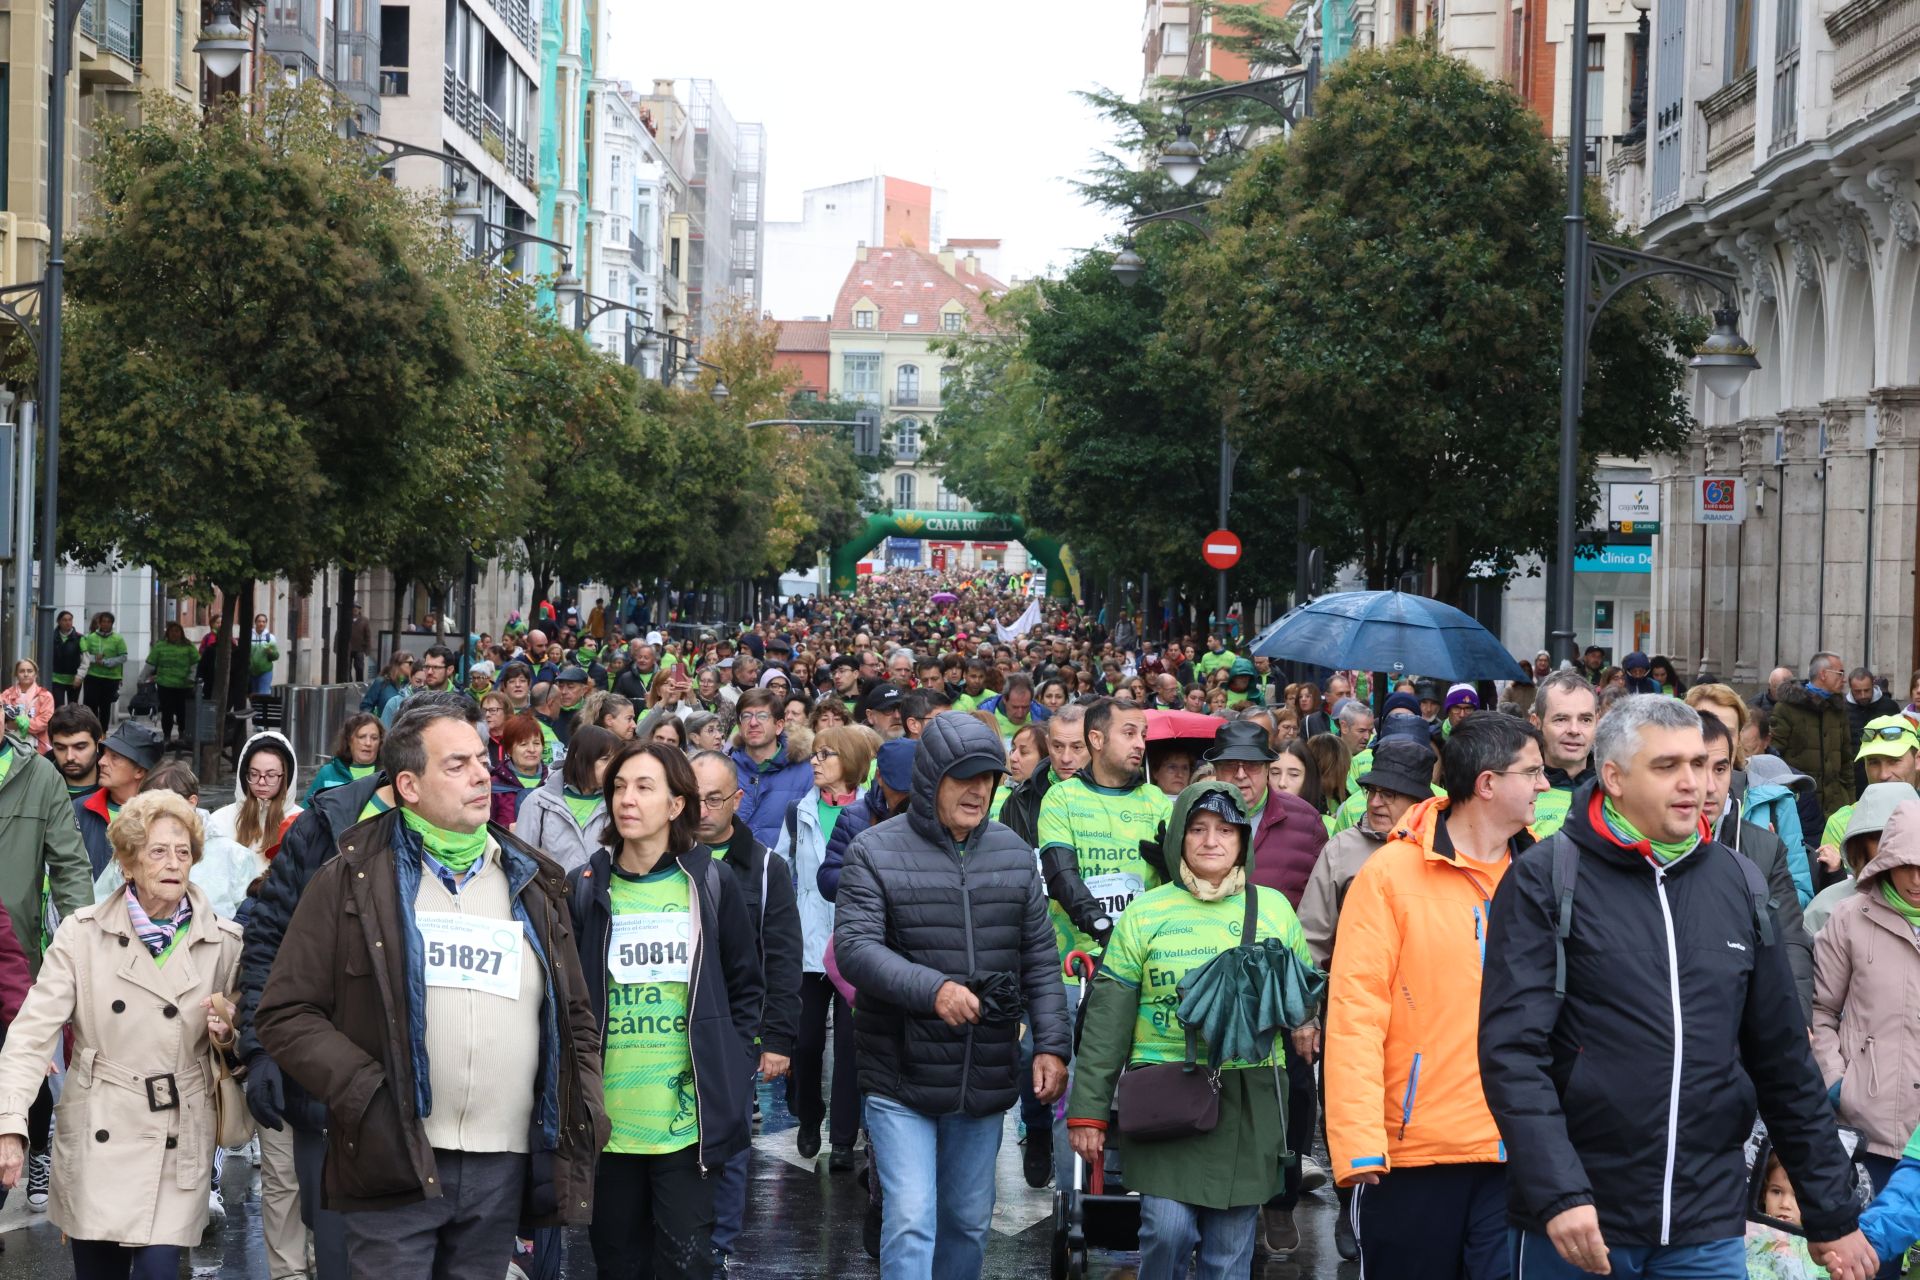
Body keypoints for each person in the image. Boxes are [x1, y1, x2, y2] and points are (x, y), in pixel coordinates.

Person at [1479, 694, 1877, 1280]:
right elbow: (1512, 1053)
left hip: (1706, 1223)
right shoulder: (1546, 877)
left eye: (1703, 763)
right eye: (1667, 766)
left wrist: (1831, 1212)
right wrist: (1558, 1193)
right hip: (1584, 1221)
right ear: (1612, 776)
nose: (1695, 783)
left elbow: (1783, 1061)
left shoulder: (1738, 881)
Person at [254, 697, 608, 1278]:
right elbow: (286, 1012)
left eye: (479, 760)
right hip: (395, 1155)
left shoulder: (532, 880)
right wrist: (367, 1094)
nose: (480, 774)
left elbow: (575, 1015)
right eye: (456, 764)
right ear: (409, 786)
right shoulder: (351, 876)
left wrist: (586, 1106)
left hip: (502, 1162)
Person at [834, 713, 1071, 1280]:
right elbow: (855, 948)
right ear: (931, 777)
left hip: (983, 1071)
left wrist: (1052, 1045)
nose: (979, 790)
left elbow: (1039, 957)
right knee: (913, 1218)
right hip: (899, 1072)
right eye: (963, 777)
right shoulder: (873, 849)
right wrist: (933, 989)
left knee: (967, 1221)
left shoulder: (1014, 852)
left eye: (988, 776)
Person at [1326, 713, 1545, 1279]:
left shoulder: (1545, 874)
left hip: (1518, 1148)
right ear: (1489, 784)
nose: (1545, 785)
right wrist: (1357, 1145)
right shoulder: (1390, 874)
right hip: (1413, 1154)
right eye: (1533, 772)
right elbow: (1355, 1015)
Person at [1067, 781, 1315, 1280]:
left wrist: (1308, 1021)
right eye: (1198, 828)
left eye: (1226, 829)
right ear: (1179, 835)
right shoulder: (1144, 914)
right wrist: (1089, 1113)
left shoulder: (1274, 910)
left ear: (1243, 840)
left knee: (1229, 1250)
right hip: (1166, 1095)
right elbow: (1107, 1020)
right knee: (1168, 1229)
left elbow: (1301, 998)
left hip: (1250, 1099)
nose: (1211, 841)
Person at [0, 789, 243, 1280]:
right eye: (157, 851)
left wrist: (228, 1034)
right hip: (100, 1129)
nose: (174, 863)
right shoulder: (81, 934)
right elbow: (29, 1036)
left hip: (180, 1130)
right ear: (128, 863)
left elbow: (244, 1045)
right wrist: (9, 1124)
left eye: (182, 852)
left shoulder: (225, 941)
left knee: (158, 1268)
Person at [563, 741, 759, 1278]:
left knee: (686, 1266)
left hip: (686, 1124)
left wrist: (732, 1070)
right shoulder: (585, 888)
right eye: (619, 787)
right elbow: (567, 999)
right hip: (610, 1123)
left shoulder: (712, 886)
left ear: (677, 805)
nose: (627, 799)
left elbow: (746, 987)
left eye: (644, 787)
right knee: (619, 1266)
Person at [1197, 717, 1328, 1252]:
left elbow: (1319, 903)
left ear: (1269, 771)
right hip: (1212, 975)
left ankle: (1280, 1195)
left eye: (1251, 767)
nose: (1241, 777)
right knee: (1215, 1089)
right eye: (1230, 766)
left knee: (1295, 1090)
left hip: (1283, 978)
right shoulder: (1195, 815)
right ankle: (1215, 1198)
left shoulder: (1304, 822)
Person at [688, 748, 804, 1273]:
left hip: (735, 1029)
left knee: (729, 1144)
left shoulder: (764, 868)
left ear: (737, 800)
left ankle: (720, 1246)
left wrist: (776, 1039)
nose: (703, 810)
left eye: (714, 799)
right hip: (669, 1024)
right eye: (693, 799)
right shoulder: (663, 858)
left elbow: (782, 957)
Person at [1812, 797, 1920, 1274]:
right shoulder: (1850, 918)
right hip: (1868, 1131)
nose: (1916, 879)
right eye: (1906, 865)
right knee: (1869, 1262)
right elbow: (1819, 1011)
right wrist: (1839, 1084)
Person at [772, 724, 878, 1176]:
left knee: (854, 1049)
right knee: (808, 1042)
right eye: (815, 754)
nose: (815, 762)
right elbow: (780, 868)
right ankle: (809, 1114)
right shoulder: (799, 811)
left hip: (858, 949)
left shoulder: (874, 811)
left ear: (851, 763)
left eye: (827, 755)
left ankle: (842, 1139)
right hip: (810, 947)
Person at [1694, 711, 1816, 1018]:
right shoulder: (1647, 845)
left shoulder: (1765, 845)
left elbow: (1789, 938)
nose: (1710, 786)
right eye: (1697, 767)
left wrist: (1798, 1018)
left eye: (1720, 769)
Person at [513, 725, 618, 872]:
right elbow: (521, 862)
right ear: (580, 757)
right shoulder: (539, 802)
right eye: (605, 759)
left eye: (615, 760)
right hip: (552, 893)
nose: (613, 767)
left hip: (600, 893)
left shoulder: (617, 803)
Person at [1775, 651, 1856, 820]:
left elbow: (1846, 760)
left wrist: (1849, 800)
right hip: (1800, 804)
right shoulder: (1787, 708)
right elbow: (1774, 755)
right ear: (1823, 674)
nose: (1844, 679)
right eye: (1840, 673)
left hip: (1835, 806)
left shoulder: (1838, 710)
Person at [75, 721, 163, 878]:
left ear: (139, 771)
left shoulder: (161, 816)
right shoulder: (80, 808)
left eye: (114, 757)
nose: (101, 762)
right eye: (104, 754)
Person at [729, 687, 814, 847]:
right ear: (740, 727)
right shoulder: (724, 769)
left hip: (782, 869)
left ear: (779, 726)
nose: (753, 723)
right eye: (746, 716)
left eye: (762, 716)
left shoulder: (807, 772)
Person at [1529, 671, 1597, 838]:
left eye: (1585, 720)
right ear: (1536, 724)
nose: (1574, 730)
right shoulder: (1518, 794)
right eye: (1561, 719)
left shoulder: (1616, 791)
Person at [1847, 667, 1902, 796]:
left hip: (1885, 772)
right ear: (1850, 689)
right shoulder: (1843, 709)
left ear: (1873, 685)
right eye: (1857, 691)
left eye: (1867, 690)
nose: (1863, 695)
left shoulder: (1890, 707)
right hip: (1854, 776)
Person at [304, 713, 384, 803]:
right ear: (349, 740)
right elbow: (305, 813)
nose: (368, 743)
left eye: (374, 738)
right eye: (361, 737)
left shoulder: (387, 777)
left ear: (380, 742)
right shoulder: (328, 774)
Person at [143, 624, 199, 750]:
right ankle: (167, 736)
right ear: (167, 633)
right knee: (167, 712)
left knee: (182, 712)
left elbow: (195, 663)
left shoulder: (189, 646)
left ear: (181, 633)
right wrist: (142, 678)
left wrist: (191, 677)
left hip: (184, 686)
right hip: (165, 685)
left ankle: (182, 734)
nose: (175, 634)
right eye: (172, 631)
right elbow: (151, 664)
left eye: (177, 631)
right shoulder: (160, 646)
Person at [490, 713, 547, 829]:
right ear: (509, 750)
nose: (532, 750)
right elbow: (484, 829)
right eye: (523, 744)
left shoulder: (552, 783)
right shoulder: (494, 786)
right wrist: (507, 830)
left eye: (536, 743)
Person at [80, 610, 128, 728]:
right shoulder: (90, 638)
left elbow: (123, 657)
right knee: (90, 705)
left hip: (110, 678)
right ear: (99, 623)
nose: (106, 624)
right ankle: (92, 730)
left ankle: (103, 732)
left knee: (105, 706)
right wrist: (94, 659)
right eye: (103, 622)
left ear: (112, 624)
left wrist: (106, 662)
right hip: (93, 676)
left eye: (109, 622)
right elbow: (84, 655)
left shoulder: (118, 639)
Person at [3, 659, 54, 754]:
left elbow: (45, 721)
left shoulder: (46, 696)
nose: (26, 674)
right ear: (16, 674)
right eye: (22, 671)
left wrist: (22, 724)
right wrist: (8, 724)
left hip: (38, 747)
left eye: (30, 671)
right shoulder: (6, 694)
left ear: (35, 674)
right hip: (10, 745)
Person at [361, 651, 414, 716]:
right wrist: (374, 722)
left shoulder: (410, 685)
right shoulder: (382, 682)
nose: (413, 666)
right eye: (410, 663)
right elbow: (366, 706)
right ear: (398, 664)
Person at [48, 610, 82, 707]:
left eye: (70, 620)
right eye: (64, 620)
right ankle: (59, 723)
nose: (68, 622)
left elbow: (85, 660)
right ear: (58, 622)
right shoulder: (51, 637)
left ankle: (72, 723)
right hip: (56, 679)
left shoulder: (80, 638)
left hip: (74, 679)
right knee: (59, 706)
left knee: (73, 707)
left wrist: (79, 676)